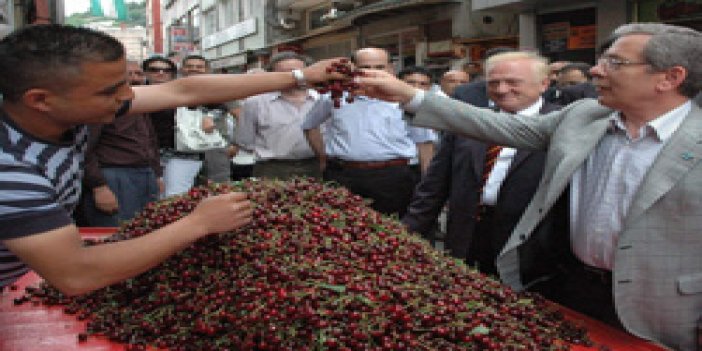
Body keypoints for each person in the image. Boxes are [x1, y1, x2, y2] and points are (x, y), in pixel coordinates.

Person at [357, 23, 702, 351]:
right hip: (573, 291)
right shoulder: (584, 116)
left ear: (670, 78)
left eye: (615, 63)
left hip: (665, 311)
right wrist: (407, 95)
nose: (597, 71)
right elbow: (497, 125)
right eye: (601, 60)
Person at [0, 24, 344, 294]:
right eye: (110, 91)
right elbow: (76, 274)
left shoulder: (67, 111)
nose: (127, 98)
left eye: (124, 84)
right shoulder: (11, 169)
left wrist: (302, 76)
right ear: (40, 100)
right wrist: (198, 223)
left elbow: (184, 90)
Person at [402, 52, 560, 274]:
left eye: (513, 82)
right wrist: (406, 236)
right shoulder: (468, 123)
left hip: (528, 249)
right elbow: (434, 187)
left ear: (544, 84)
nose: (502, 89)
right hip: (465, 240)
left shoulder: (563, 128)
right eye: (494, 83)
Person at [302, 47, 435, 217]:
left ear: (390, 69)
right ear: (353, 68)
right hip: (344, 176)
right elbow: (309, 125)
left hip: (394, 177)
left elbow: (424, 143)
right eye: (366, 67)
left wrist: (426, 184)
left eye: (379, 67)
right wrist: (322, 158)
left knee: (394, 231)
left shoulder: (405, 98)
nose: (373, 73)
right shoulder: (334, 96)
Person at [81, 60, 161, 226]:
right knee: (117, 232)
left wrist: (156, 174)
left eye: (138, 74)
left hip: (144, 173)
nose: (134, 78)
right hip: (113, 176)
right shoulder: (103, 106)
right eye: (128, 74)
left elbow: (150, 141)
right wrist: (99, 187)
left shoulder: (139, 104)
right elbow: (85, 149)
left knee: (145, 229)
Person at [235, 52, 321, 180]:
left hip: (316, 166)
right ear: (273, 75)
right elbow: (245, 141)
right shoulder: (255, 103)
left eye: (298, 72)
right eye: (285, 73)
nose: (294, 77)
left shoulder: (323, 100)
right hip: (271, 170)